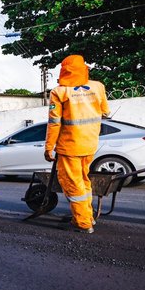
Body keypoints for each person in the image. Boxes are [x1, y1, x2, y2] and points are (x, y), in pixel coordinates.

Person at [43, 55, 110, 233]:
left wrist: (49, 147)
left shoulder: (59, 92)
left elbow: (54, 123)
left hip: (70, 146)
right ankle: (87, 215)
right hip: (90, 144)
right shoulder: (98, 87)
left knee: (73, 184)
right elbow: (105, 112)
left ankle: (83, 223)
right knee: (84, 181)